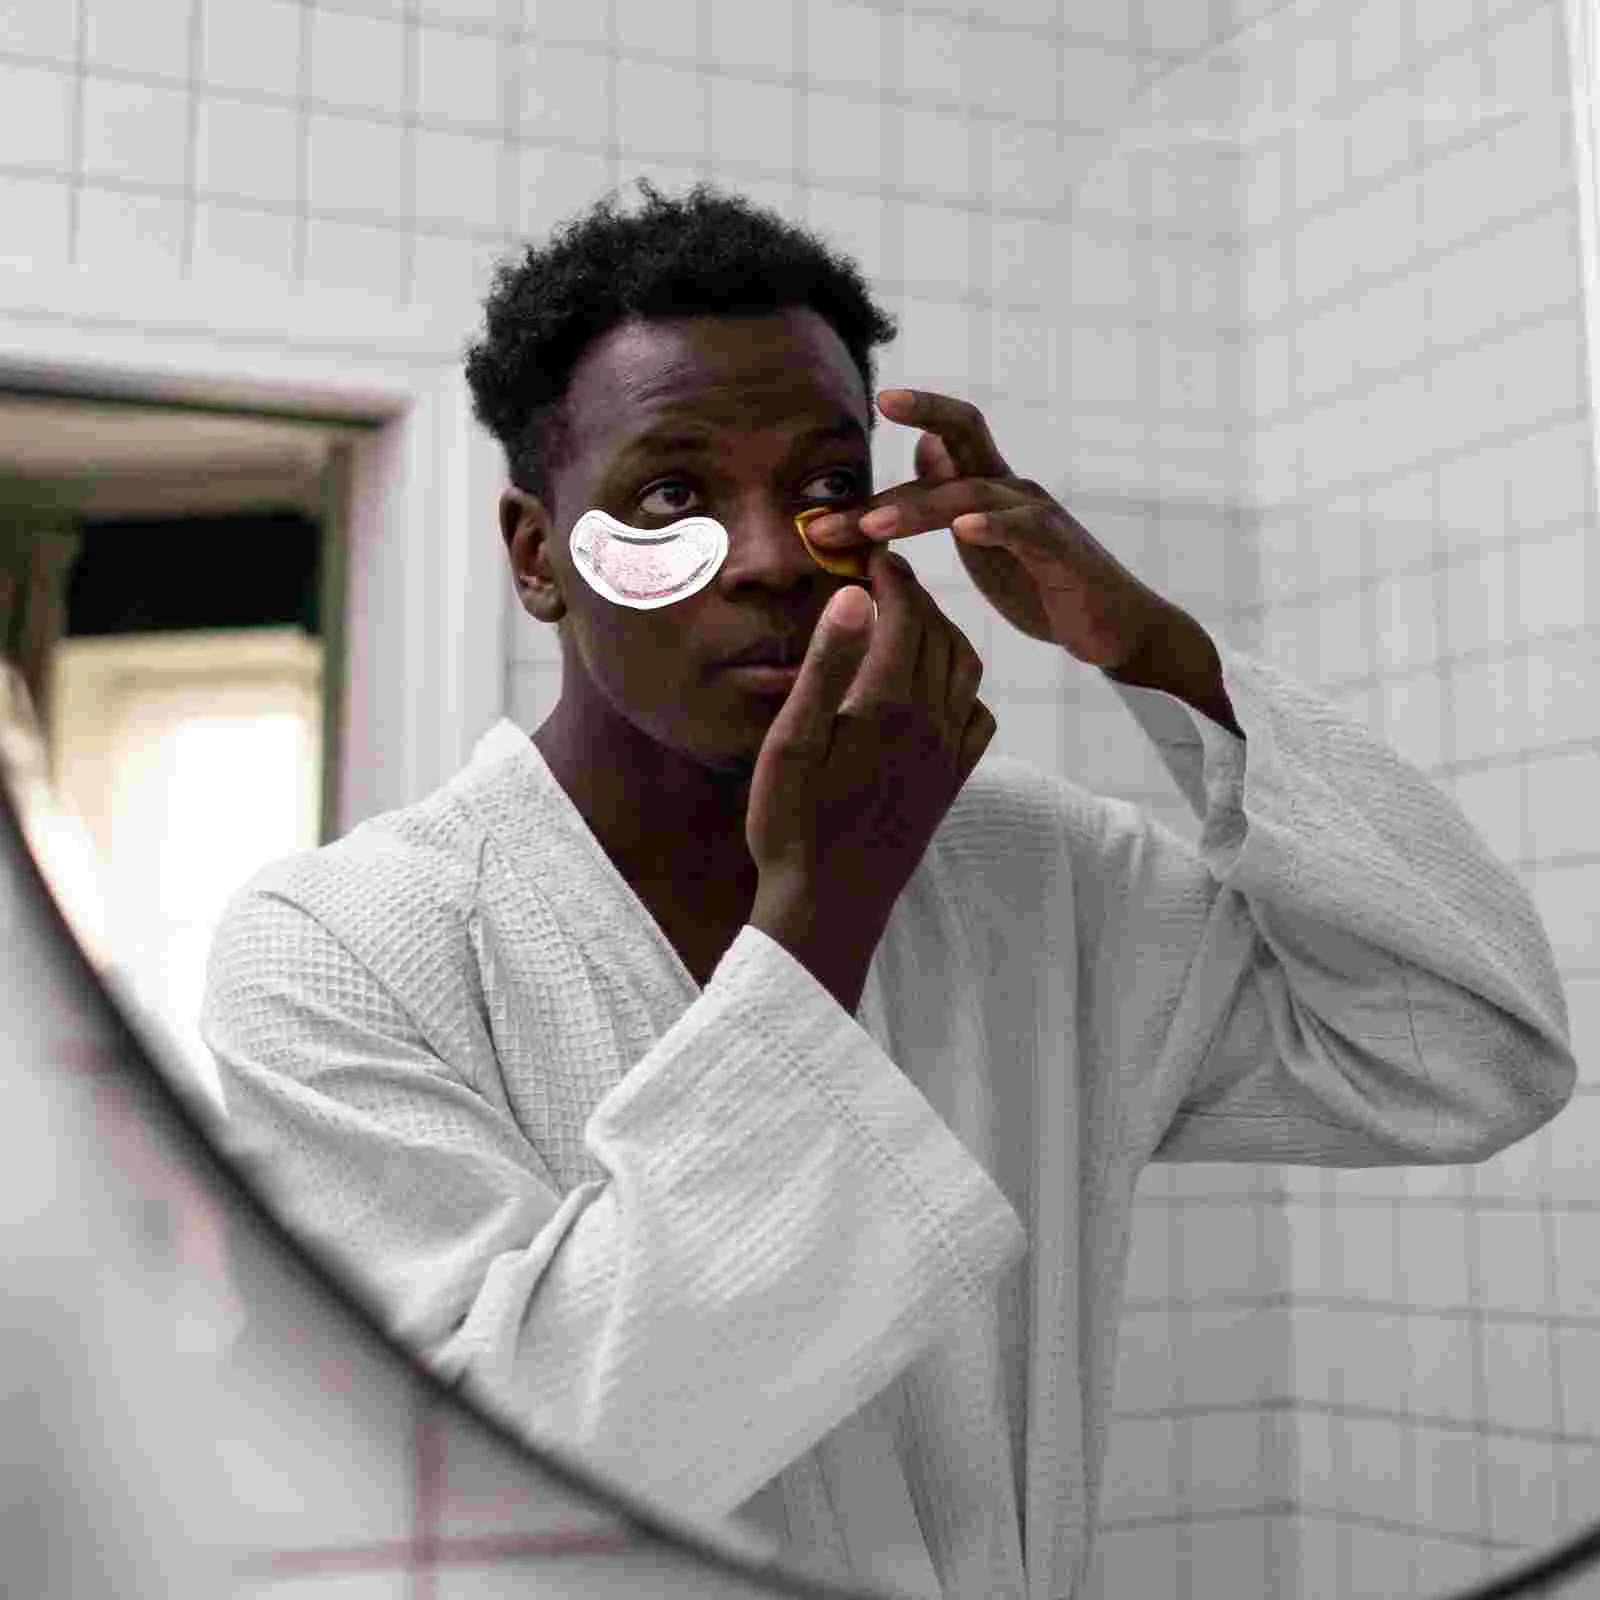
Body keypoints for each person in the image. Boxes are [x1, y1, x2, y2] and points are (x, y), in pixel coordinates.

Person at [201, 181, 1575, 1600]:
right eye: (672, 494)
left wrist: (1158, 653)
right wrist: (826, 917)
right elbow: (484, 1488)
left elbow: (1470, 1055)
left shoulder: (1035, 875)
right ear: (540, 554)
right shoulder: (340, 951)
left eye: (824, 490)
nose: (767, 559)